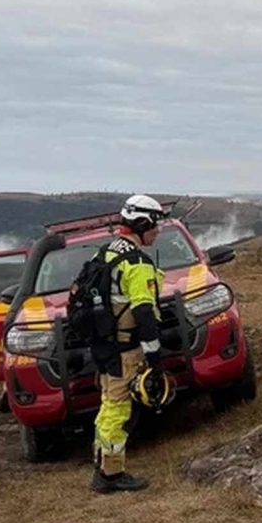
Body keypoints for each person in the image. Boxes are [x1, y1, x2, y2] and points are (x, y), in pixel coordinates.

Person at [90, 194, 167, 493]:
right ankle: (109, 475)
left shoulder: (107, 251)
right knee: (118, 410)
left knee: (108, 404)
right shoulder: (136, 262)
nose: (157, 231)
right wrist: (155, 357)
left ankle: (102, 462)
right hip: (125, 349)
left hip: (104, 346)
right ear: (142, 223)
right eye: (155, 225)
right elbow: (144, 312)